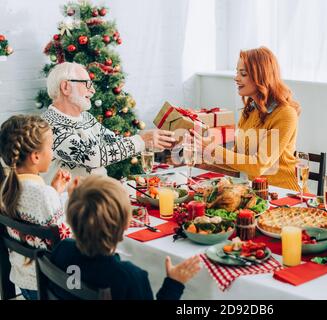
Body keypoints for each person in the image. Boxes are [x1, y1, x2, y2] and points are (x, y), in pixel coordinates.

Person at [50, 175, 201, 300]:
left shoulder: (61, 250)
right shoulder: (129, 277)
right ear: (127, 224)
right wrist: (174, 283)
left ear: (70, 216)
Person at [40, 62, 176, 181]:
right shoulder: (49, 125)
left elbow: (115, 142)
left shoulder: (86, 117)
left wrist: (152, 141)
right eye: (87, 84)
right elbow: (90, 156)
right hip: (73, 204)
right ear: (65, 87)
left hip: (97, 194)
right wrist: (141, 140)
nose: (92, 90)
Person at [192, 47, 301, 191]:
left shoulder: (285, 114)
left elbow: (259, 165)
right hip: (259, 192)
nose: (236, 78)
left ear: (261, 76)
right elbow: (238, 159)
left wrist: (213, 150)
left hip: (285, 194)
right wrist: (205, 152)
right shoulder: (251, 110)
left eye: (243, 73)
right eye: (237, 72)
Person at [0, 115, 73, 300]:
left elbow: (40, 221)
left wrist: (54, 192)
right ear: (36, 156)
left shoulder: (8, 186)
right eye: (51, 147)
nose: (53, 152)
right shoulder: (43, 194)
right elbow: (65, 241)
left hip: (24, 283)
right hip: (51, 286)